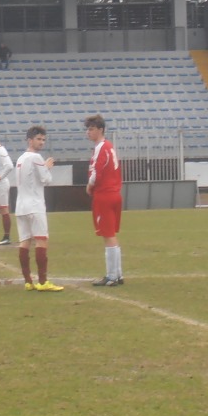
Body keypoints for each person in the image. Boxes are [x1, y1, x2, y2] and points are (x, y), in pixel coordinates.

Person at [14, 126, 62, 292]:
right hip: (35, 205)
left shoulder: (20, 158)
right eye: (38, 139)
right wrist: (47, 166)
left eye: (43, 140)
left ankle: (28, 281)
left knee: (25, 241)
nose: (41, 142)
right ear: (30, 140)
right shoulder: (36, 157)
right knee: (41, 240)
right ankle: (42, 282)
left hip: (20, 206)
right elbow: (46, 180)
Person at [85, 115, 124, 287]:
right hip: (114, 193)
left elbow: (96, 172)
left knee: (107, 235)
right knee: (111, 235)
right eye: (88, 129)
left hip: (105, 195)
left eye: (92, 129)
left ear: (100, 129)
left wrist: (89, 185)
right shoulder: (110, 147)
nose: (88, 132)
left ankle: (111, 276)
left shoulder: (101, 147)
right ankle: (118, 273)